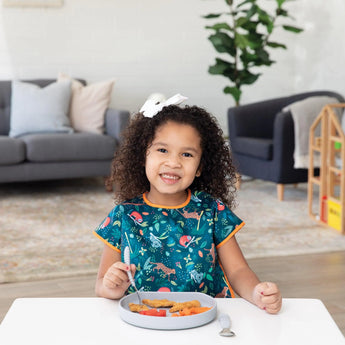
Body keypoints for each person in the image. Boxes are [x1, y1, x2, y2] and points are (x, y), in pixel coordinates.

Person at [94, 95, 282, 314]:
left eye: (187, 154)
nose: (174, 163)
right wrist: (111, 286)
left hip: (202, 319)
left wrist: (257, 292)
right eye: (162, 150)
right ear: (142, 156)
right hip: (142, 320)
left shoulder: (212, 210)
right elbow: (101, 285)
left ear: (200, 167)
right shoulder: (122, 215)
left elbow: (238, 270)